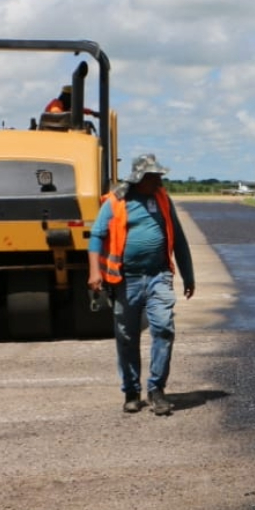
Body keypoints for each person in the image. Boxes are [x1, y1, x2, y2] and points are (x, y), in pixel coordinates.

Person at [88, 154, 196, 416]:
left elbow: (178, 239)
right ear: (139, 178)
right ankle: (131, 392)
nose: (159, 180)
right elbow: (96, 235)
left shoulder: (162, 199)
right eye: (153, 176)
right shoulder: (117, 202)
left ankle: (157, 390)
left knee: (164, 329)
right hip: (127, 280)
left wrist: (188, 275)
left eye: (159, 176)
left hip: (159, 276)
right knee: (127, 337)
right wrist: (94, 273)